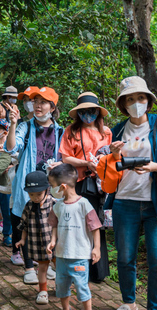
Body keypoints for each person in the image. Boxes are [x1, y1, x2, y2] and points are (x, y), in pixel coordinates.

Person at [110, 76, 157, 310]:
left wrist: (156, 166)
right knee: (124, 258)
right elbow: (108, 168)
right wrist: (111, 154)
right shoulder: (117, 130)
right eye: (130, 99)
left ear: (148, 101)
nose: (135, 102)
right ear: (123, 104)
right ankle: (129, 303)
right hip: (124, 201)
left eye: (140, 97)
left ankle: (154, 307)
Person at [5, 86, 63, 284]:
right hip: (27, 182)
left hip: (50, 185)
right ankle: (29, 267)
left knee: (48, 225)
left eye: (43, 102)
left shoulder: (60, 131)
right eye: (35, 102)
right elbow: (11, 147)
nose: (38, 106)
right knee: (28, 222)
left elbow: (64, 156)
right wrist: (13, 124)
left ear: (52, 106)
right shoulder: (25, 127)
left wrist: (60, 163)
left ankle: (45, 264)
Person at [59, 91, 111, 283]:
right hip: (79, 184)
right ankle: (79, 269)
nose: (88, 115)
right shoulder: (71, 131)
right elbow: (65, 158)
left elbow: (110, 156)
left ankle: (98, 271)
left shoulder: (106, 132)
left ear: (98, 112)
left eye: (91, 111)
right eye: (84, 111)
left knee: (98, 224)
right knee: (79, 226)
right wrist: (86, 163)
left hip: (100, 186)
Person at [47, 163, 102, 310]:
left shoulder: (84, 204)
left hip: (80, 256)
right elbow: (54, 225)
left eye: (53, 186)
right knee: (61, 286)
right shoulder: (58, 206)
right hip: (61, 256)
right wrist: (52, 241)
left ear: (63, 187)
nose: (51, 189)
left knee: (82, 286)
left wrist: (96, 248)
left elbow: (95, 227)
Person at [15, 171, 57, 305]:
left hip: (55, 243)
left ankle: (61, 287)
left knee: (60, 267)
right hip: (37, 244)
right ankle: (43, 291)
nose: (35, 198)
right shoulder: (28, 206)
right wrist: (22, 239)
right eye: (31, 194)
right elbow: (24, 224)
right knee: (42, 268)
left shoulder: (53, 204)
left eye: (38, 194)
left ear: (46, 189)